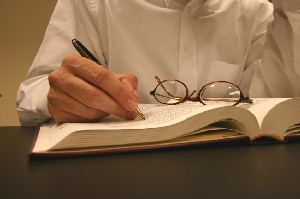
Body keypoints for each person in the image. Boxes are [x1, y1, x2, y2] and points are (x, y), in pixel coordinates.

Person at [17, 0, 300, 126]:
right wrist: (61, 95)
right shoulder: (94, 3)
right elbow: (34, 92)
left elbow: (275, 112)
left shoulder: (258, 10)